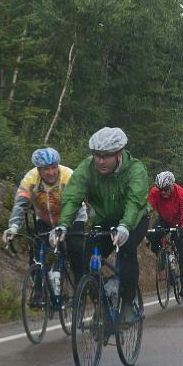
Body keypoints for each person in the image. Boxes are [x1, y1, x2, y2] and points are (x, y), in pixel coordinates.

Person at [52, 127, 149, 324]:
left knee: (127, 250)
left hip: (135, 219)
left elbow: (135, 201)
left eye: (106, 156)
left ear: (119, 154)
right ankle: (101, 306)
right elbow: (72, 197)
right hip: (104, 220)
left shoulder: (135, 169)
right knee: (88, 258)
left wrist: (125, 227)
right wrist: (63, 225)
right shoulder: (87, 168)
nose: (101, 161)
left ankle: (129, 304)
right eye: (97, 156)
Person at [2, 147, 88, 286]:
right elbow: (20, 205)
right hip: (45, 219)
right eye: (46, 169)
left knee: (75, 249)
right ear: (38, 170)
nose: (51, 172)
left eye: (54, 167)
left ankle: (81, 288)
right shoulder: (30, 179)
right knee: (36, 252)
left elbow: (74, 204)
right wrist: (13, 226)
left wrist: (63, 226)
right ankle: (38, 290)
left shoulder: (68, 176)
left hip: (73, 218)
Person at [147, 171, 183, 298]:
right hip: (164, 219)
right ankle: (161, 256)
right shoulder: (155, 192)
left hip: (181, 222)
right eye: (161, 190)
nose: (163, 192)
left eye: (166, 189)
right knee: (152, 236)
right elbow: (147, 208)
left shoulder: (182, 194)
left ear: (172, 185)